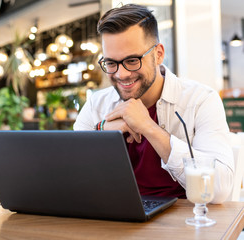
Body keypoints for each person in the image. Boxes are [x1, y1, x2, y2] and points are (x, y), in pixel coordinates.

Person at [73, 4, 234, 203]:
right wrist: (101, 130)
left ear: (158, 54)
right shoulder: (97, 104)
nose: (121, 74)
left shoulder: (201, 100)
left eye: (132, 60)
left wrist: (149, 127)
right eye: (111, 63)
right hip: (115, 218)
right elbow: (72, 176)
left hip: (182, 222)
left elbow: (219, 188)